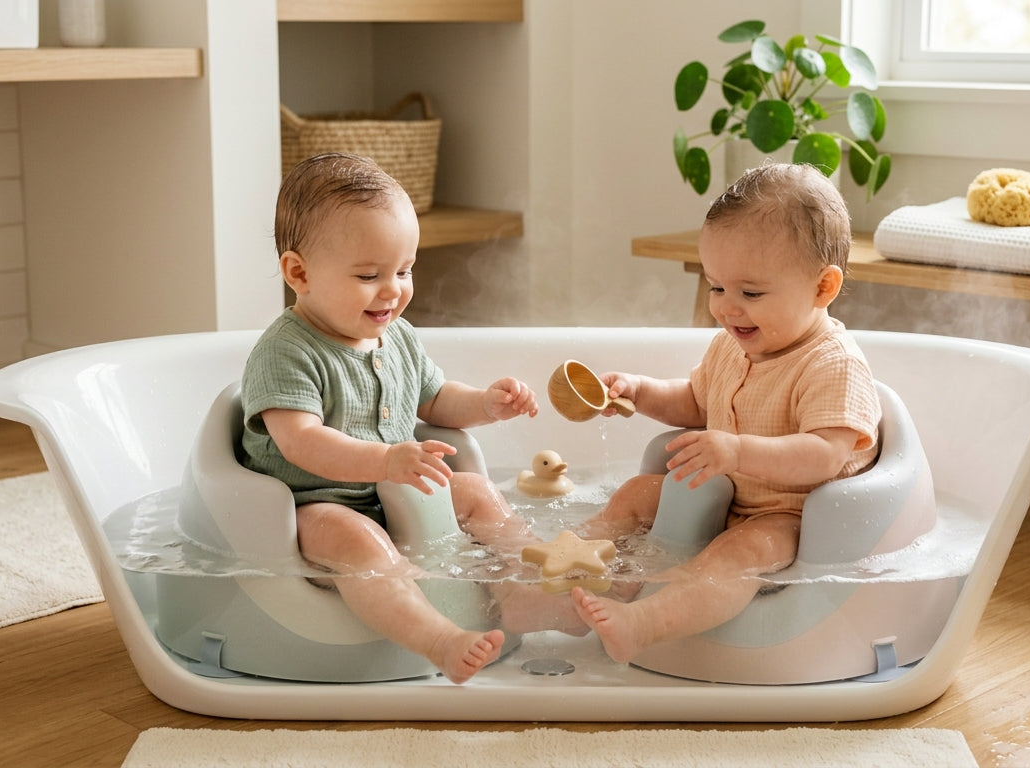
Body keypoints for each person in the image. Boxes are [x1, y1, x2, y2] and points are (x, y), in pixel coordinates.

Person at [240, 152, 541, 684]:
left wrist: (485, 404)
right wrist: (385, 460)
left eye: (404, 270)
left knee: (474, 491)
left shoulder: (397, 337)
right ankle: (439, 639)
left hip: (392, 490)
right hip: (312, 506)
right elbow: (302, 442)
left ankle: (526, 587)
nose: (393, 289)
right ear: (299, 273)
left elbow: (434, 399)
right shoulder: (287, 352)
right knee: (357, 541)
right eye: (368, 274)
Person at [572, 162, 882, 664]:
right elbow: (696, 403)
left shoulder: (833, 364)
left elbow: (825, 455)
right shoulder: (731, 346)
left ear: (823, 288)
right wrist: (639, 391)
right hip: (726, 496)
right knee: (634, 494)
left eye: (750, 293)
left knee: (739, 554)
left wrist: (737, 450)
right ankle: (563, 570)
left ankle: (644, 623)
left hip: (790, 515)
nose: (726, 308)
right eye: (716, 287)